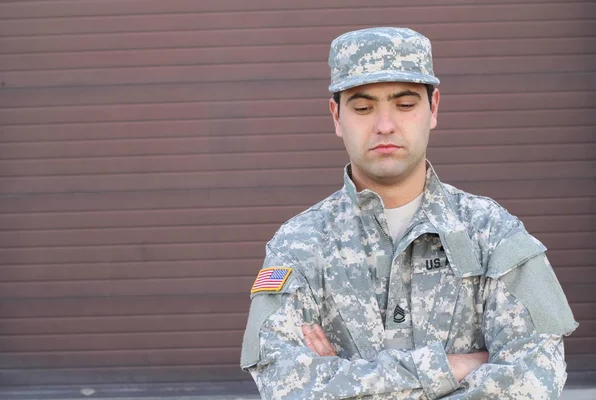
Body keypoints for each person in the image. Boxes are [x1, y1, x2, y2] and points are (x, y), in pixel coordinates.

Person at [240, 27, 578, 399]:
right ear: (336, 116)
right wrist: (451, 367)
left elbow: (533, 378)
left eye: (404, 105)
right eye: (364, 107)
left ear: (433, 109)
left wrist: (345, 380)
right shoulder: (298, 246)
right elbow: (283, 383)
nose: (385, 125)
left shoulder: (492, 232)